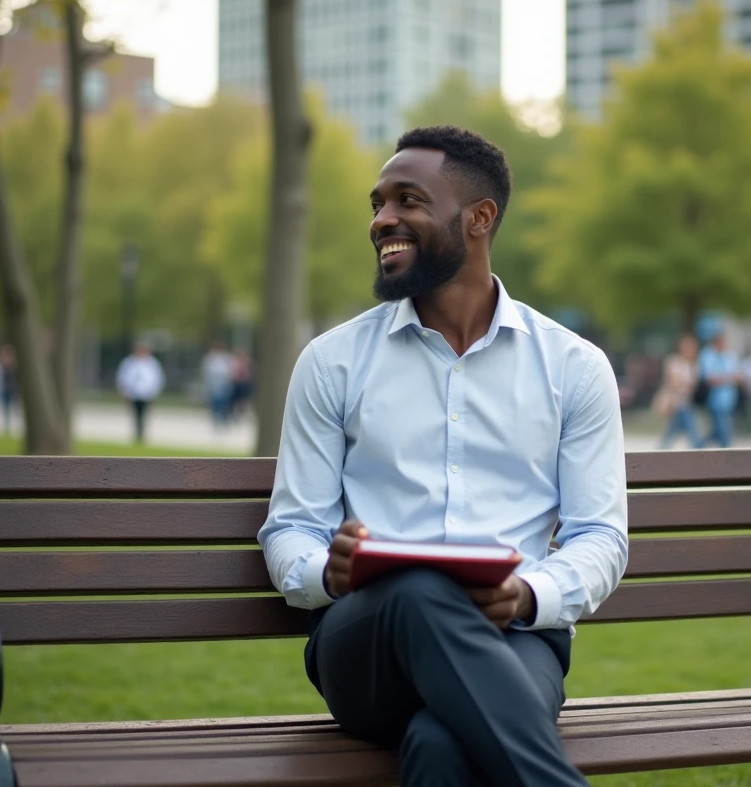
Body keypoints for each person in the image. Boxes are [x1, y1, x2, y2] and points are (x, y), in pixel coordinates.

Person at [258, 126, 627, 787]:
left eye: (408, 201)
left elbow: (600, 536)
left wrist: (524, 594)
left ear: (479, 219)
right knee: (419, 589)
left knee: (440, 744)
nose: (381, 220)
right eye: (377, 203)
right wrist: (331, 574)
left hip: (518, 639)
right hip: (363, 644)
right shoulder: (332, 363)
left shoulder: (573, 367)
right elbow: (290, 530)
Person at [654, 334, 703, 449]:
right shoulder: (673, 361)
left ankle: (662, 449)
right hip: (675, 402)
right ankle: (698, 448)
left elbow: (692, 385)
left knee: (673, 431)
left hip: (685, 402)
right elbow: (673, 382)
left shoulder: (692, 364)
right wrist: (684, 384)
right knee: (691, 428)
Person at [697, 331, 741, 448]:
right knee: (723, 431)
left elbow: (736, 375)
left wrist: (723, 378)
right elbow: (710, 378)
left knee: (718, 430)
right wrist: (728, 378)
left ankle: (698, 445)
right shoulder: (707, 355)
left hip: (729, 399)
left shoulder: (729, 355)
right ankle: (726, 454)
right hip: (714, 399)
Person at [116, 342, 165, 444]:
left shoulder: (152, 363)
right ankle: (137, 433)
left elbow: (157, 379)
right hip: (133, 393)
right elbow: (122, 377)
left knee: (144, 414)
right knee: (135, 414)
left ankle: (142, 433)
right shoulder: (129, 362)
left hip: (146, 393)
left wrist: (154, 392)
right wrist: (124, 391)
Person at [201, 342, 235, 429]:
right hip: (213, 382)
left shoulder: (226, 358)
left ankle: (223, 418)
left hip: (224, 383)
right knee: (214, 402)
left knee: (223, 402)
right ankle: (215, 419)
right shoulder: (210, 357)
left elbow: (230, 370)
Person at [0, 345, 18, 435]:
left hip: (11, 389)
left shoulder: (13, 366)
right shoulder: (2, 366)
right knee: (6, 407)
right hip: (4, 388)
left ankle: (13, 425)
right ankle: (7, 425)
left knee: (12, 407)